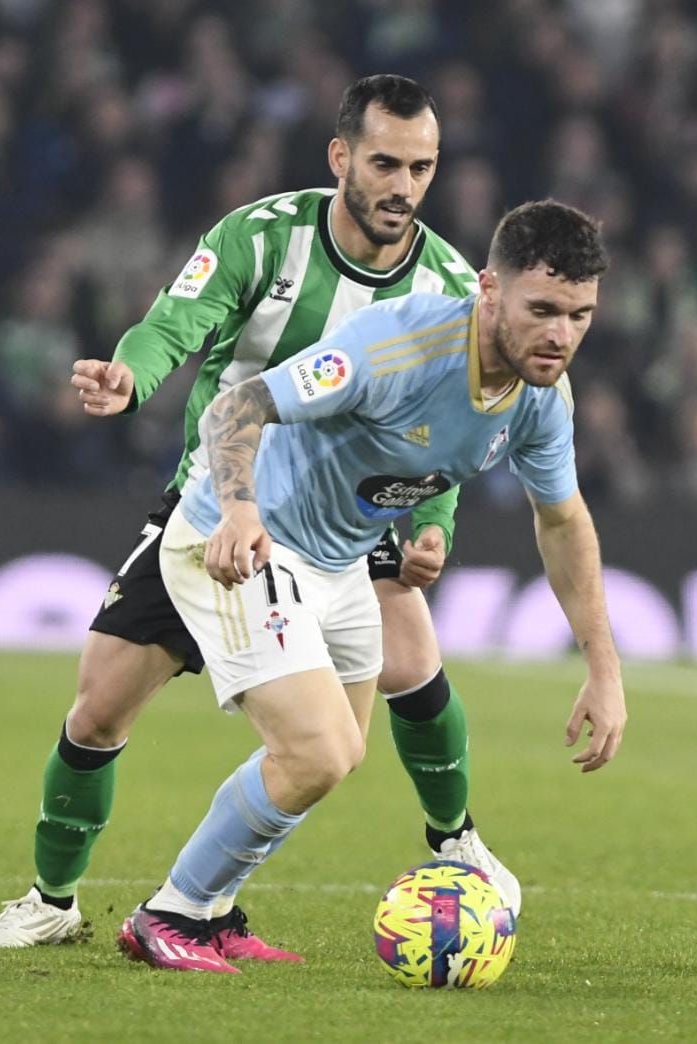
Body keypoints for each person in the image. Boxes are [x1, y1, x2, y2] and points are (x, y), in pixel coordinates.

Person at [0, 75, 513, 949]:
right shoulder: (263, 238)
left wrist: (434, 524)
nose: (404, 187)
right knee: (99, 709)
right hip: (223, 508)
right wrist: (131, 376)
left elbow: (449, 428)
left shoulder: (449, 284)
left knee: (395, 677)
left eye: (422, 168)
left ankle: (450, 840)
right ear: (340, 157)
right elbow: (173, 324)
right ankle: (53, 902)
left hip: (344, 522)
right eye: (385, 164)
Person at [116, 199, 627, 972]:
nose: (561, 335)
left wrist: (603, 668)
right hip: (247, 540)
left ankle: (212, 911)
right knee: (316, 750)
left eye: (579, 316)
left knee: (338, 754)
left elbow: (563, 523)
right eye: (543, 310)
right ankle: (169, 916)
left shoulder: (541, 400)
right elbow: (237, 407)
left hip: (341, 560)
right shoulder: (398, 346)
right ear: (490, 290)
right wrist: (240, 510)